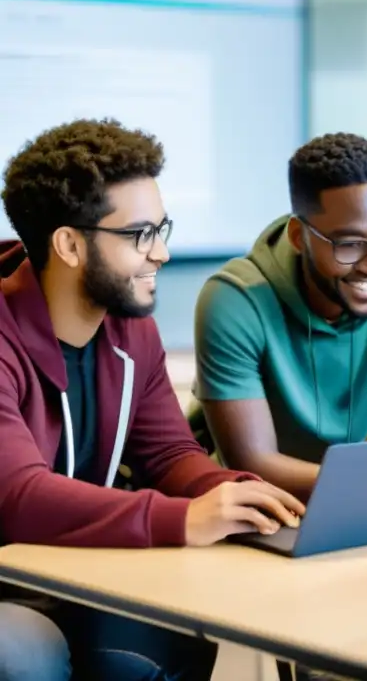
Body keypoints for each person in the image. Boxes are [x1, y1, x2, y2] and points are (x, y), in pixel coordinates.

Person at [0, 118, 305, 681]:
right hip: (10, 581)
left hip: (74, 567)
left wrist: (238, 494)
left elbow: (167, 454)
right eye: (140, 234)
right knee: (22, 653)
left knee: (173, 632)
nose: (161, 252)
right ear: (69, 244)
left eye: (161, 227)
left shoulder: (130, 330)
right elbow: (19, 497)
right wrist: (184, 518)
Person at [192, 132, 367, 503]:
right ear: (300, 237)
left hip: (357, 502)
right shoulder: (236, 300)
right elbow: (251, 465)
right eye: (350, 244)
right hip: (251, 512)